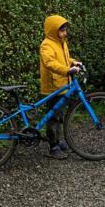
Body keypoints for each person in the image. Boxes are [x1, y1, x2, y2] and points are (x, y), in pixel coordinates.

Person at [39, 15, 82, 159]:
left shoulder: (61, 42)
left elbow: (63, 59)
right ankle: (53, 146)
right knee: (52, 118)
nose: (65, 33)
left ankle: (58, 140)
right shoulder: (47, 44)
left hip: (62, 84)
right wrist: (67, 70)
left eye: (65, 30)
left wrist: (73, 62)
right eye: (62, 30)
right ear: (53, 30)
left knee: (59, 116)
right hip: (53, 86)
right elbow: (50, 63)